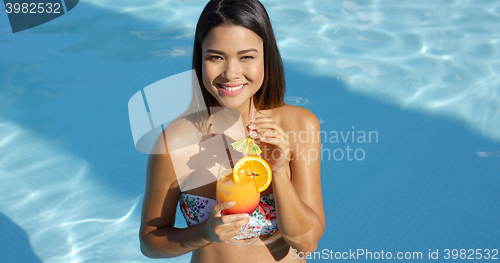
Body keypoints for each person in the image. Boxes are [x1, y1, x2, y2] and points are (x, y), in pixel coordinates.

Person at [139, 0, 325, 262]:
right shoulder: (174, 143)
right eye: (216, 57)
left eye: (246, 57)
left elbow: (307, 242)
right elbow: (150, 242)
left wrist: (279, 173)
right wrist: (203, 233)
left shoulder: (297, 126)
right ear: (200, 58)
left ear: (266, 58)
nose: (231, 73)